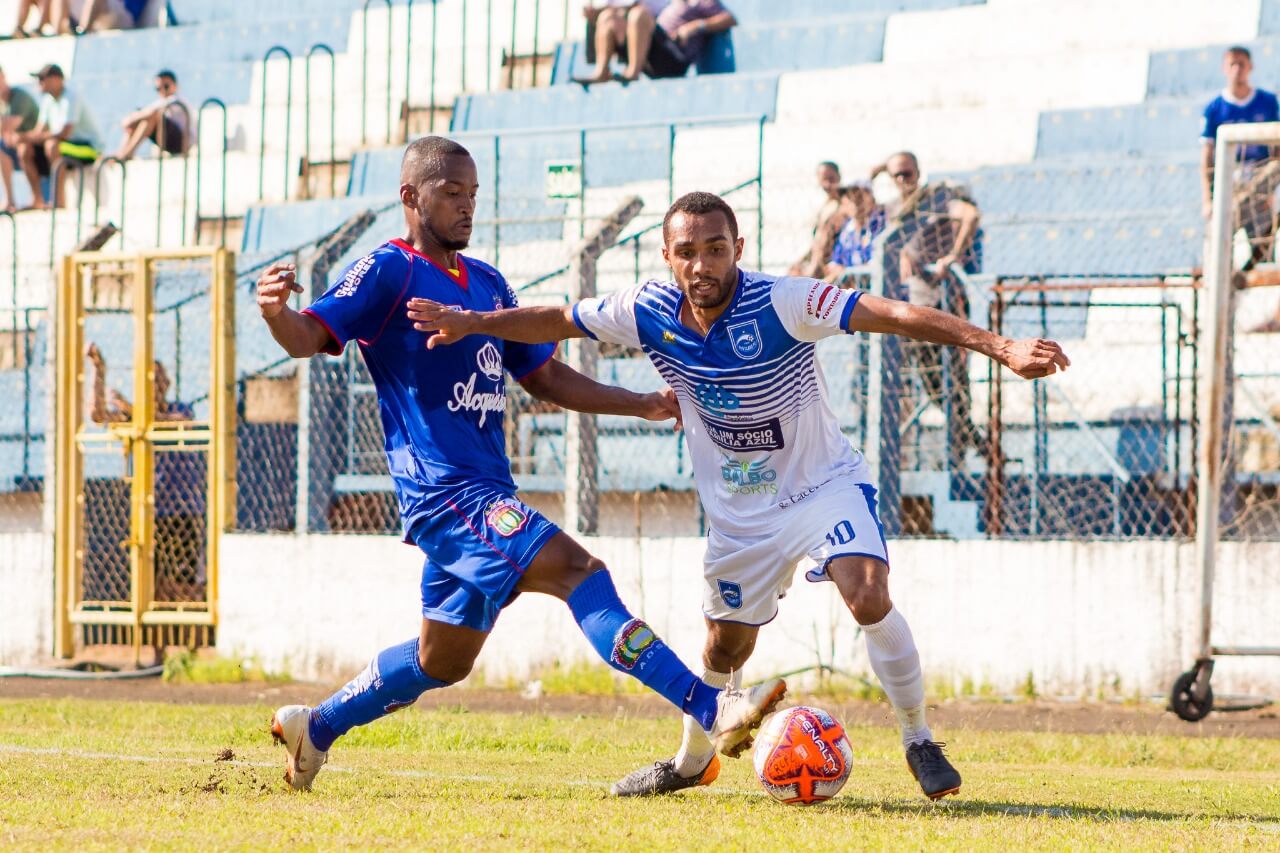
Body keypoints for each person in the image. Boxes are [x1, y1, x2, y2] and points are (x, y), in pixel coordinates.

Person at [406, 190, 1070, 801]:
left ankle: (920, 736)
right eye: (687, 250)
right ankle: (694, 759)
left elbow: (893, 313)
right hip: (739, 516)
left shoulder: (784, 302)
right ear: (667, 255)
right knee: (725, 651)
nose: (702, 263)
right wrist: (474, 323)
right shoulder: (647, 311)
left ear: (738, 250)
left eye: (716, 248)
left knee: (867, 592)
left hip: (821, 486)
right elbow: (556, 318)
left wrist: (1001, 345)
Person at [258, 137, 785, 791]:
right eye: (452, 192)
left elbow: (546, 377)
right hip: (446, 495)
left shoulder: (485, 283)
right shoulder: (389, 271)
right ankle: (714, 707)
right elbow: (311, 335)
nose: (466, 206)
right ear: (410, 197)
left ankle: (318, 727)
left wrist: (642, 403)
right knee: (578, 571)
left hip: (484, 490)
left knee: (441, 659)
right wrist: (278, 312)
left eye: (473, 194)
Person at [873, 150, 983, 453]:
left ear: (918, 173)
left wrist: (953, 255)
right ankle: (974, 441)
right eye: (895, 175)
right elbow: (858, 207)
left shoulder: (933, 200)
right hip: (912, 307)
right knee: (931, 385)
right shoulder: (895, 207)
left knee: (954, 381)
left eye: (907, 174)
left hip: (944, 300)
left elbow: (970, 215)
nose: (901, 180)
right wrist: (878, 169)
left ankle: (963, 448)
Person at [85, 342, 208, 604]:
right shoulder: (135, 416)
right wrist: (99, 370)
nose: (155, 385)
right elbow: (97, 415)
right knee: (156, 583)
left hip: (183, 510)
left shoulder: (180, 410)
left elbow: (176, 423)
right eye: (150, 380)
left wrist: (132, 409)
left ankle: (191, 640)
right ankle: (159, 640)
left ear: (167, 384)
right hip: (151, 509)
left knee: (185, 584)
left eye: (159, 379)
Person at [1201, 45, 1280, 268]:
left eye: (1241, 64)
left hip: (1261, 180)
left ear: (1250, 67)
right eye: (1232, 64)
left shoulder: (1267, 102)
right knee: (1220, 242)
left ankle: (1254, 279)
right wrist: (1208, 199)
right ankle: (1224, 286)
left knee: (1263, 245)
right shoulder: (1214, 109)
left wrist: (1272, 189)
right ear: (1224, 68)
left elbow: (1276, 152)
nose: (1237, 69)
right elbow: (1206, 158)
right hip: (1231, 184)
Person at [577, 0, 735, 84]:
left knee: (639, 15)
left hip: (674, 57)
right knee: (608, 17)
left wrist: (696, 26)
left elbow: (730, 19)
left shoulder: (699, 1)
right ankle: (602, 72)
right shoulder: (670, 3)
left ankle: (633, 72)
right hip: (652, 52)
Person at [15, 64, 101, 209]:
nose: (39, 82)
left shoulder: (71, 97)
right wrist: (24, 138)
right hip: (66, 146)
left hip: (88, 149)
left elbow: (64, 133)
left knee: (52, 145)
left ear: (56, 79)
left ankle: (59, 201)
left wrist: (30, 136)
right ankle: (37, 199)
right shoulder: (48, 100)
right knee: (24, 149)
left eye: (42, 78)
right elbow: (39, 131)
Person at [577, 1, 670, 85]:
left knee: (637, 15)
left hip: (664, 46)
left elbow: (641, 8)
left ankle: (633, 72)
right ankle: (602, 72)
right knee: (606, 17)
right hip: (637, 43)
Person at [113, 70, 192, 162]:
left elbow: (153, 112)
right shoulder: (162, 102)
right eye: (158, 88)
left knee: (151, 117)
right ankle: (121, 153)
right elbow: (146, 112)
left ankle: (126, 154)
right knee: (141, 119)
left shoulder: (177, 101)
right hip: (168, 140)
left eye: (166, 86)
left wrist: (130, 120)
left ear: (175, 86)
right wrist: (132, 120)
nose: (162, 91)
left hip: (182, 144)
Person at [788, 160, 844, 277]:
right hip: (816, 261)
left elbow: (828, 243)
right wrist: (803, 260)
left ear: (839, 177)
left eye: (831, 178)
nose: (828, 184)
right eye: (824, 179)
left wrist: (814, 267)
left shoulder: (844, 206)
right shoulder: (825, 207)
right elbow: (817, 241)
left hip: (831, 264)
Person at [823, 182, 886, 283]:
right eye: (848, 196)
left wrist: (847, 272)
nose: (854, 201)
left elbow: (877, 264)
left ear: (871, 198)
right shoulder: (847, 230)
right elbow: (835, 262)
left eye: (859, 196)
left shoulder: (881, 224)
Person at [0, 66, 40, 212]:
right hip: (18, 146)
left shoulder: (19, 97)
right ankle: (10, 200)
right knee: (3, 148)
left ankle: (37, 199)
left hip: (36, 147)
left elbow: (10, 124)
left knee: (18, 149)